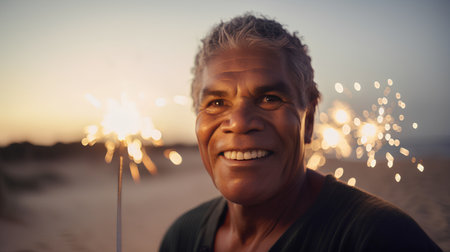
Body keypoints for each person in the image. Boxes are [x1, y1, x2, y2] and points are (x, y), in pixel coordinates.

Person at [160, 14, 441, 251]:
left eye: (269, 98)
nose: (240, 122)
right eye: (217, 103)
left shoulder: (379, 238)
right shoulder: (182, 238)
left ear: (309, 120)